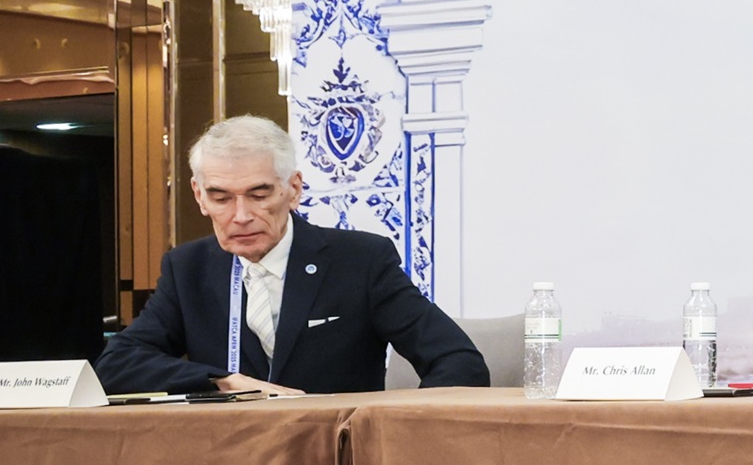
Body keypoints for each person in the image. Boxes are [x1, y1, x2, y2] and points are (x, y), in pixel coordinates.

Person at [101, 116, 487, 396]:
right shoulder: (188, 268)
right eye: (221, 197)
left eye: (259, 194)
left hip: (338, 458)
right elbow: (117, 364)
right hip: (229, 462)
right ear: (199, 196)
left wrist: (395, 433)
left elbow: (459, 361)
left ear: (294, 189)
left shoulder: (361, 261)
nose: (241, 215)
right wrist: (219, 381)